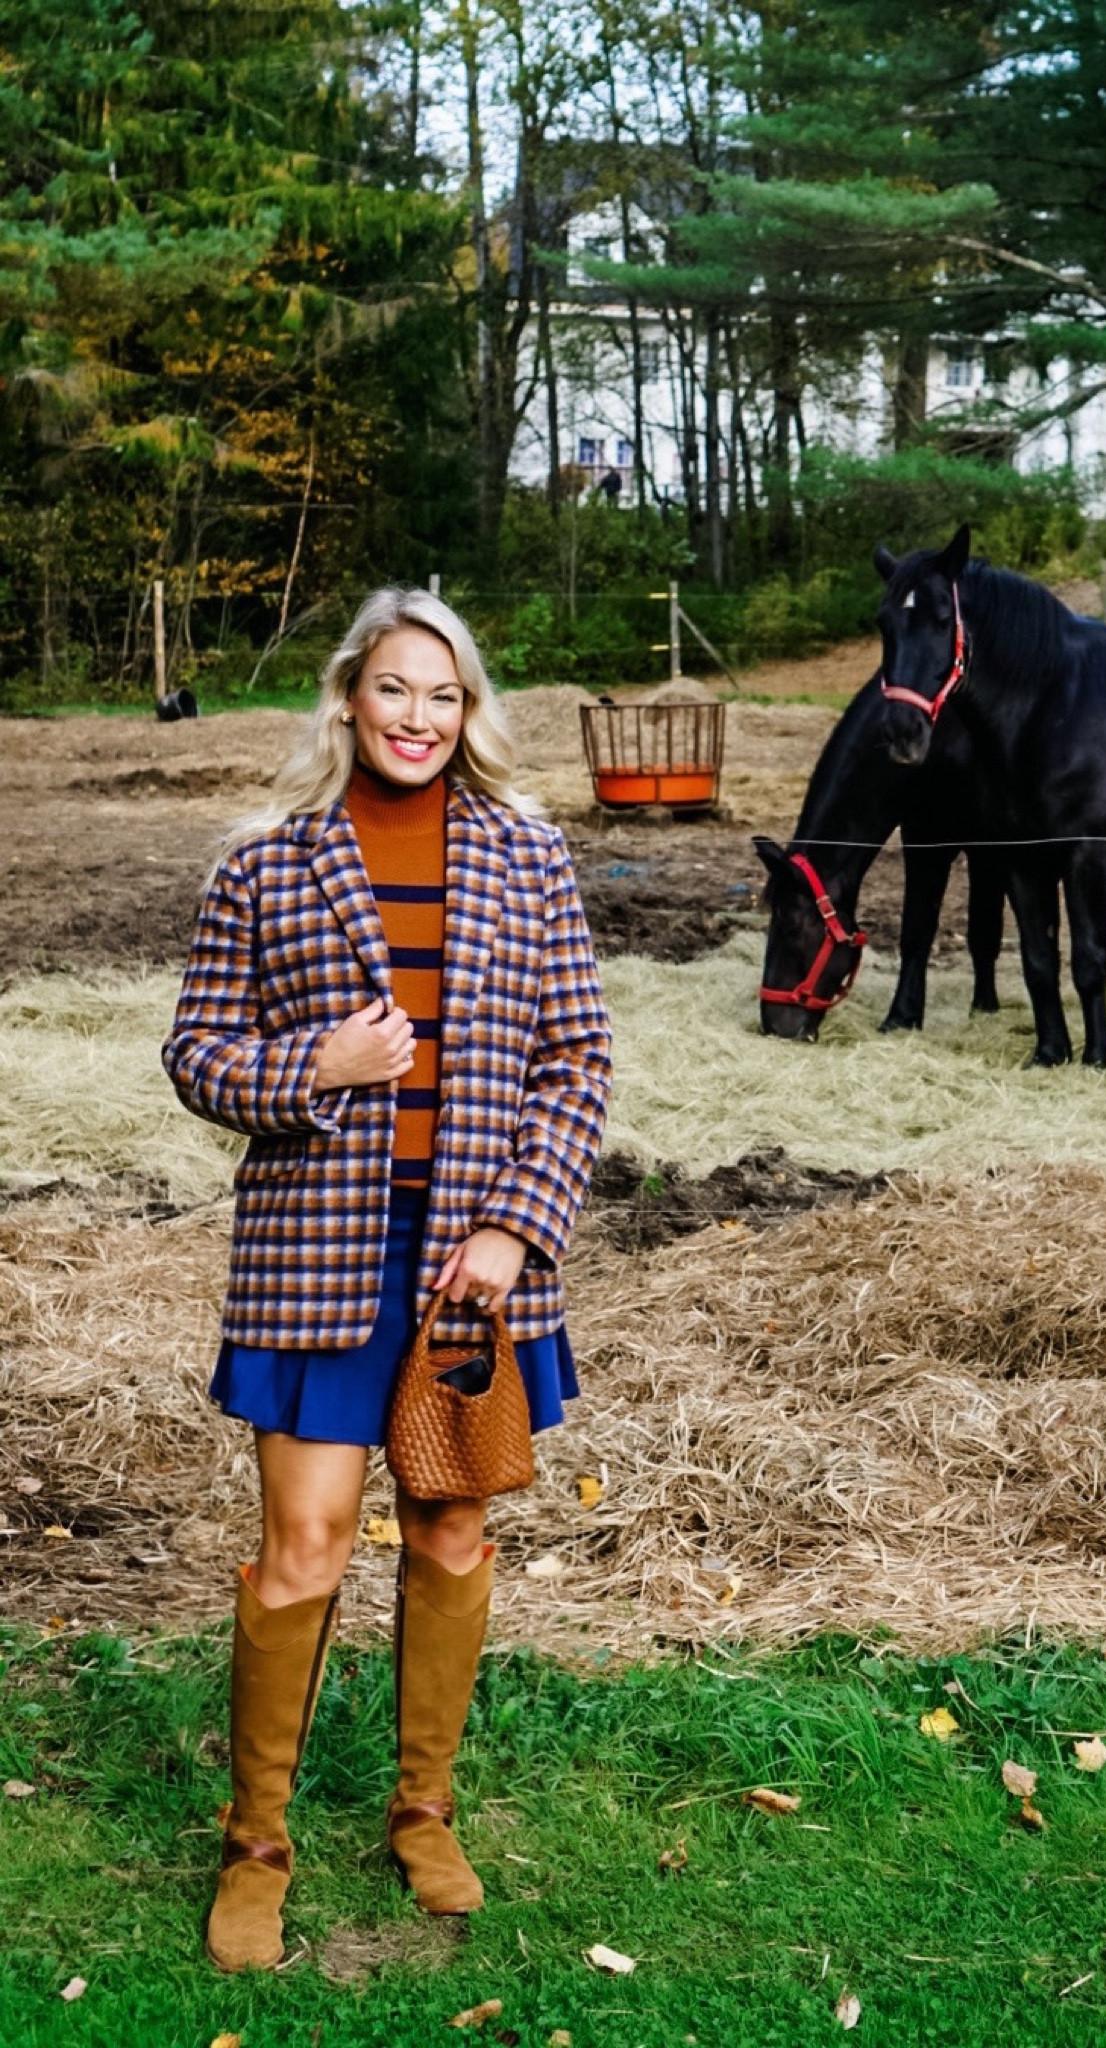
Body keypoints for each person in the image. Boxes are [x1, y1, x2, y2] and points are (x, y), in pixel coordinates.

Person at [162, 588, 612, 1973]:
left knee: (452, 1539)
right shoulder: (268, 866)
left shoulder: (528, 859)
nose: (419, 718)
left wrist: (516, 1231)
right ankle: (258, 1846)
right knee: (302, 1549)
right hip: (316, 1258)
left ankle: (424, 1814)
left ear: (469, 712)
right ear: (350, 699)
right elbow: (196, 1054)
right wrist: (320, 1070)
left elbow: (577, 1064)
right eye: (395, 691)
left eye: (446, 695)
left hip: (472, 1274)